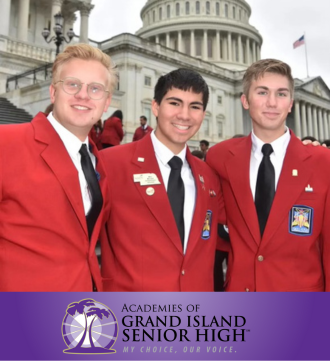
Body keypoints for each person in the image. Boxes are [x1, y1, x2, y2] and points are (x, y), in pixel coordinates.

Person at [0, 43, 116, 291]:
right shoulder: (5, 143)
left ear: (106, 103)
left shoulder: (97, 161)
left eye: (95, 89)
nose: (83, 95)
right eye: (72, 84)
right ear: (53, 93)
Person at [207, 58, 330, 292]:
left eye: (281, 94)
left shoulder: (322, 163)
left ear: (291, 103)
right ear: (245, 100)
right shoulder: (219, 158)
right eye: (262, 92)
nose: (272, 102)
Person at [100, 68, 225, 291]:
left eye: (194, 106)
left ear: (203, 115)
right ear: (156, 107)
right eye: (175, 103)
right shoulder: (111, 164)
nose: (184, 115)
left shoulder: (209, 176)